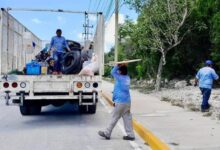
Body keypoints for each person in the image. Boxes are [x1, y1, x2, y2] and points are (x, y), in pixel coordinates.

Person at [98, 64, 135, 141]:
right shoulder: (127, 78)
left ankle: (107, 133)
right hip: (127, 102)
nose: (117, 71)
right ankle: (131, 135)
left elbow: (112, 72)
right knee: (127, 119)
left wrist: (117, 65)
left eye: (119, 70)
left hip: (120, 101)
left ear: (120, 71)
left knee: (114, 117)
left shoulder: (119, 78)